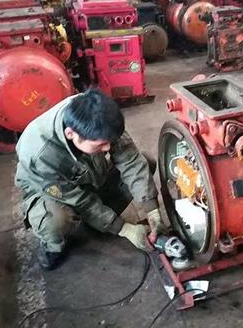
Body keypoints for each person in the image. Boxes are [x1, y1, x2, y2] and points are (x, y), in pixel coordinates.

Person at [15, 88, 167, 270]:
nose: (108, 148)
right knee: (55, 221)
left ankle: (98, 222)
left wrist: (152, 211)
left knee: (145, 163)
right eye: (101, 144)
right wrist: (124, 229)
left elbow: (130, 160)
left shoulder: (99, 116)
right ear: (71, 134)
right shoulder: (39, 154)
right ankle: (52, 248)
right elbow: (78, 200)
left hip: (89, 177)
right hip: (52, 192)